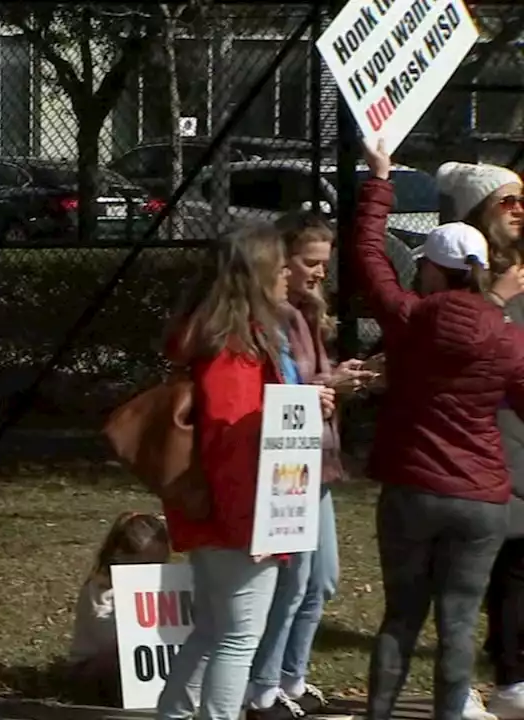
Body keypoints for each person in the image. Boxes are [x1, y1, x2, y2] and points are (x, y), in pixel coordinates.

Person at [353, 141, 524, 720]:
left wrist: (381, 181)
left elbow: (369, 255)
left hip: (411, 485)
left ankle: (380, 712)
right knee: (457, 618)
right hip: (480, 497)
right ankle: (453, 712)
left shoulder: (407, 319)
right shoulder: (506, 334)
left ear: (429, 266)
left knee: (401, 615)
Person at [155, 224, 336, 720]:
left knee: (215, 629)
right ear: (257, 276)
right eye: (280, 267)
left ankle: (173, 714)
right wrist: (248, 528)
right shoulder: (235, 351)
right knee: (238, 637)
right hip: (237, 516)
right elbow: (231, 446)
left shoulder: (230, 341)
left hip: (225, 512)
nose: (288, 276)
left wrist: (303, 401)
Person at [244, 212, 375, 720]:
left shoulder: (303, 313)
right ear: (281, 260)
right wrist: (325, 386)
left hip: (315, 460)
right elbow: (275, 392)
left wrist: (336, 377)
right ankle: (264, 685)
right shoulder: (271, 317)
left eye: (325, 263)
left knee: (321, 579)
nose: (319, 273)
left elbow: (304, 379)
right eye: (309, 262)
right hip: (287, 464)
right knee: (295, 579)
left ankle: (291, 678)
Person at [440, 161, 524, 720]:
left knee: (518, 558)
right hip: (477, 434)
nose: (519, 210)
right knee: (473, 568)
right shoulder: (466, 276)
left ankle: (512, 675)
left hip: (518, 427)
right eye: (507, 201)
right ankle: (464, 685)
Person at [67, 512, 171, 706]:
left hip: (145, 664)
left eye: (160, 564)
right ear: (121, 556)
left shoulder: (162, 586)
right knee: (119, 661)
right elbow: (110, 639)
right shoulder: (102, 589)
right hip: (94, 669)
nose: (153, 571)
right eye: (145, 565)